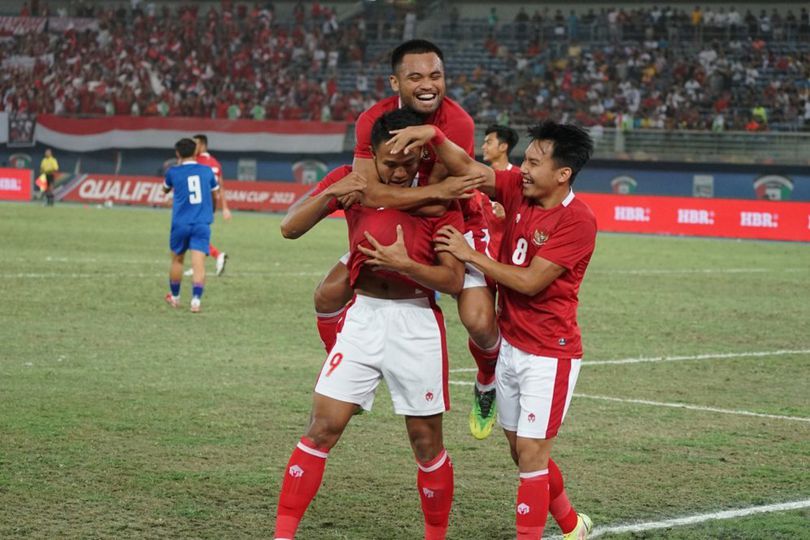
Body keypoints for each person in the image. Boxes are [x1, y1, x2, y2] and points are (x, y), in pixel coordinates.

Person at [388, 120, 596, 539]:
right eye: (525, 158)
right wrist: (435, 137)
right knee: (522, 453)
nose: (523, 168)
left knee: (533, 459)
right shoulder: (519, 188)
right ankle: (573, 526)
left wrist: (469, 255)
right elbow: (472, 169)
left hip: (549, 355)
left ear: (562, 174)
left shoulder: (577, 221)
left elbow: (530, 281)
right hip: (512, 347)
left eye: (534, 162)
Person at [275, 109, 464, 540]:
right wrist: (332, 195)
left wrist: (406, 264)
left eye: (408, 162)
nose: (399, 172)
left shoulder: (439, 199)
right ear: (372, 156)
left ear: (422, 156)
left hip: (416, 324)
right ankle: (282, 535)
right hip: (362, 318)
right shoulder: (352, 180)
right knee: (321, 429)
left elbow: (453, 280)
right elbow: (289, 228)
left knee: (426, 444)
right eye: (389, 163)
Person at [306, 39, 502, 441]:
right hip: (401, 216)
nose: (428, 84)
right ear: (396, 82)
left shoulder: (458, 123)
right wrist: (418, 197)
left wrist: (419, 190)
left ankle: (486, 380)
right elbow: (371, 191)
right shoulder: (372, 121)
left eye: (436, 75)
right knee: (328, 294)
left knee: (479, 321)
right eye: (416, 76)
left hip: (457, 219)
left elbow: (444, 202)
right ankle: (344, 369)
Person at [163, 138, 222, 313]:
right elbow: (215, 195)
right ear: (195, 152)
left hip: (181, 222)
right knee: (199, 264)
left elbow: (165, 190)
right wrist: (211, 211)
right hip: (201, 222)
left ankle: (175, 297)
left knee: (177, 260)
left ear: (177, 153)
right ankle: (196, 301)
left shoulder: (173, 172)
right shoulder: (206, 171)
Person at [189, 134, 230, 276]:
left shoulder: (196, 161)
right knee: (198, 234)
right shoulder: (215, 163)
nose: (193, 147)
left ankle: (217, 255)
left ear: (202, 145)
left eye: (195, 144)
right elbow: (221, 187)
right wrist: (224, 208)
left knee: (192, 234)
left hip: (196, 204)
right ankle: (197, 265)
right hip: (210, 205)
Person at [480, 124, 520, 258]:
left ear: (503, 147)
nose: (483, 147)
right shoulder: (479, 177)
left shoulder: (520, 178)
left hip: (508, 252)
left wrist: (509, 215)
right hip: (480, 248)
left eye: (488, 142)